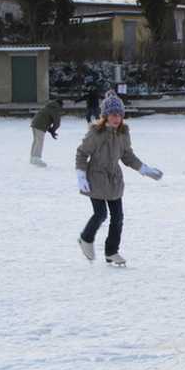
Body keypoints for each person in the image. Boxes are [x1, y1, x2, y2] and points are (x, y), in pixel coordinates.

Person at [75, 91, 163, 266]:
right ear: (106, 116)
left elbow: (127, 156)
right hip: (96, 178)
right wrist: (81, 176)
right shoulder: (96, 133)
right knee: (100, 214)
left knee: (118, 217)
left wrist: (144, 169)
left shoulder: (123, 133)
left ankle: (112, 252)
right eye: (113, 115)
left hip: (114, 180)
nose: (117, 118)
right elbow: (82, 153)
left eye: (120, 115)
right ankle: (86, 238)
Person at [29, 99, 62, 167]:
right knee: (39, 141)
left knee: (36, 140)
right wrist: (53, 131)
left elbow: (45, 119)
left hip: (35, 123)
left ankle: (32, 158)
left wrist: (51, 131)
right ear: (60, 105)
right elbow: (57, 123)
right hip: (40, 125)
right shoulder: (55, 109)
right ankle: (36, 159)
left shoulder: (48, 106)